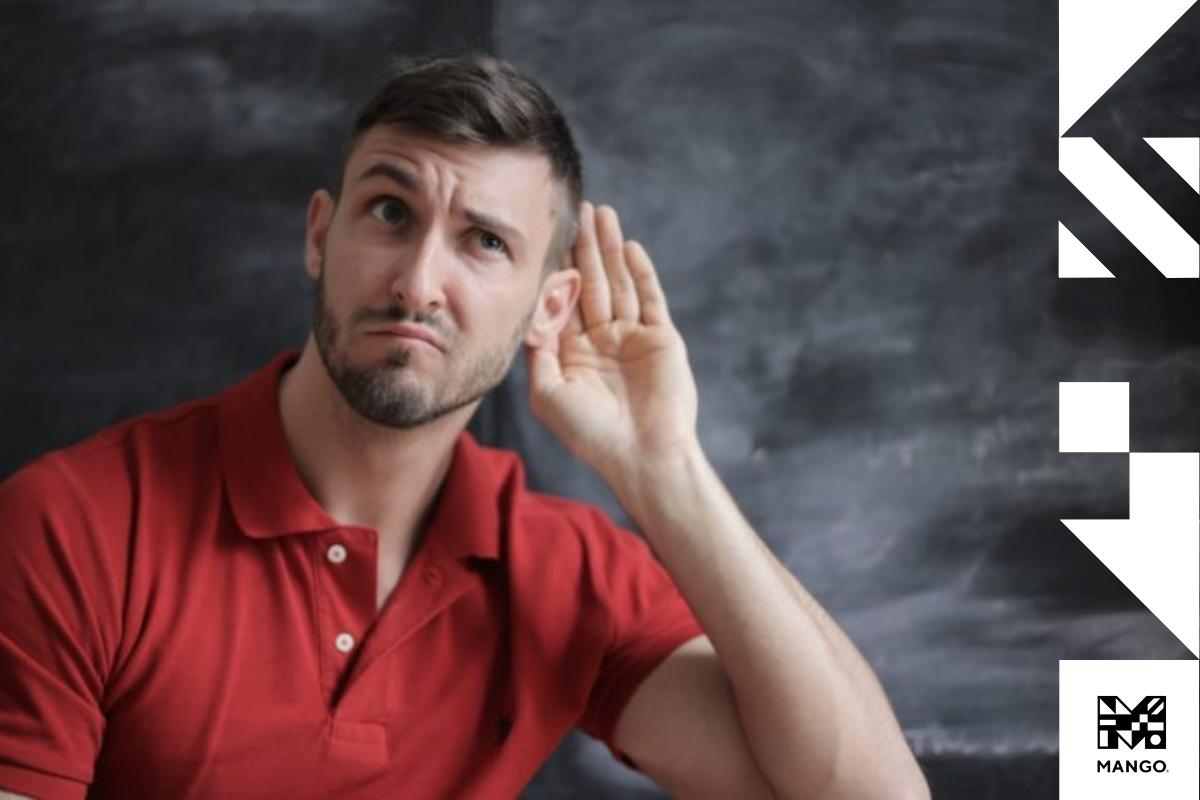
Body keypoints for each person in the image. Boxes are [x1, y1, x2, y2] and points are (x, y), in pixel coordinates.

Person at [0, 54, 928, 799]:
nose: (415, 283)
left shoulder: (567, 575)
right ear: (320, 236)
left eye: (484, 241)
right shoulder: (71, 526)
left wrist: (663, 467)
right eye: (390, 213)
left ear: (547, 305)